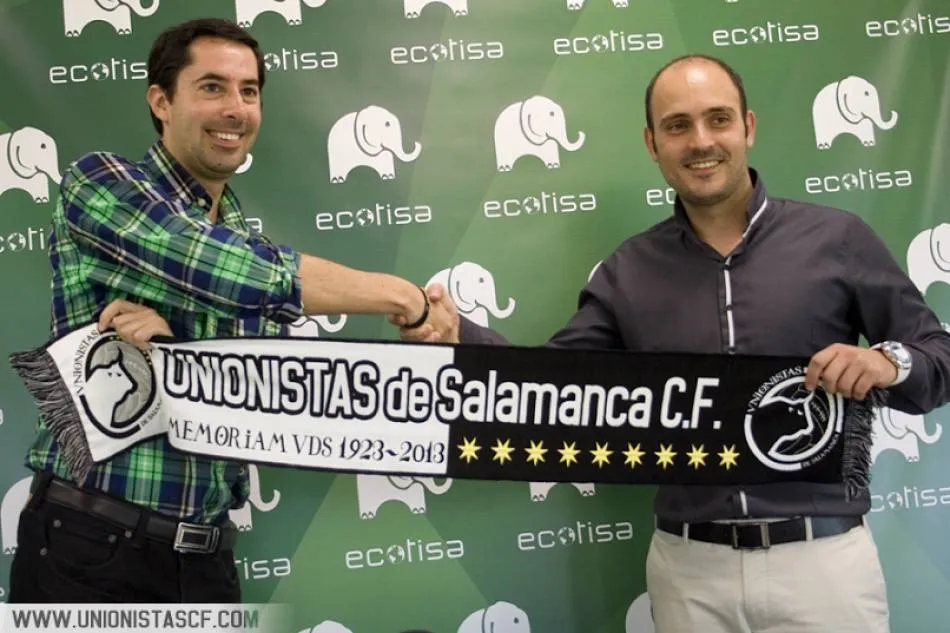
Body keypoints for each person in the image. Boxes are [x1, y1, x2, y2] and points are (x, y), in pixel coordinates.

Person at [396, 54, 950, 632]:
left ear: (748, 127)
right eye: (678, 125)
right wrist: (460, 336)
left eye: (718, 119)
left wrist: (888, 362)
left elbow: (940, 357)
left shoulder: (839, 239)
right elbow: (551, 390)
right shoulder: (627, 271)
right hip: (688, 572)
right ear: (652, 143)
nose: (701, 141)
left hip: (823, 566)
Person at [8, 17, 452, 603]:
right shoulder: (100, 183)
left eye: (249, 91)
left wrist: (174, 351)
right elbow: (220, 269)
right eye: (212, 87)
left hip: (206, 557)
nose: (235, 109)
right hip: (90, 545)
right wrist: (404, 298)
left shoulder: (241, 232)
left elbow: (255, 390)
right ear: (161, 101)